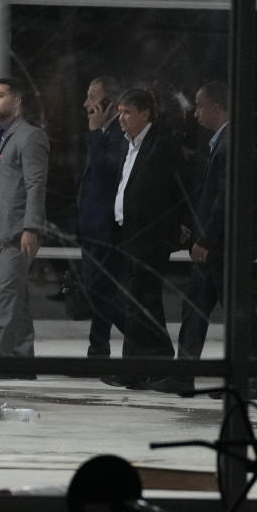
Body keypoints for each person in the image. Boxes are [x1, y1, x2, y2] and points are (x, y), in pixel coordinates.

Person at [150, 82, 257, 398]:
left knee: (235, 312)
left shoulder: (232, 145)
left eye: (200, 106)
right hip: (217, 245)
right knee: (196, 308)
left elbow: (227, 199)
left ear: (216, 107)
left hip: (224, 246)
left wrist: (206, 239)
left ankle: (247, 380)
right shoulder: (222, 143)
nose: (195, 113)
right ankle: (185, 374)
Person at [101, 88, 185, 390]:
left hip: (150, 237)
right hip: (130, 234)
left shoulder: (161, 144)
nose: (121, 118)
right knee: (136, 301)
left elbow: (170, 192)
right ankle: (142, 366)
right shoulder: (131, 144)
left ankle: (149, 365)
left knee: (142, 300)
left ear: (145, 114)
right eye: (120, 112)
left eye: (127, 112)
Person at [0, 77, 49, 369]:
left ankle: (2, 360)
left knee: (7, 297)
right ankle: (21, 359)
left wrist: (31, 228)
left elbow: (36, 185)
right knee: (14, 298)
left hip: (18, 232)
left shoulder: (30, 137)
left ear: (17, 102)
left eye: (1, 95)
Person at [75, 76, 126, 358]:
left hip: (106, 229)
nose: (86, 103)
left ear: (109, 103)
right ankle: (98, 347)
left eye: (92, 97)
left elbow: (107, 175)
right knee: (98, 289)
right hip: (91, 227)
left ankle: (142, 336)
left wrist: (95, 133)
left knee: (100, 289)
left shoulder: (117, 134)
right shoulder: (103, 134)